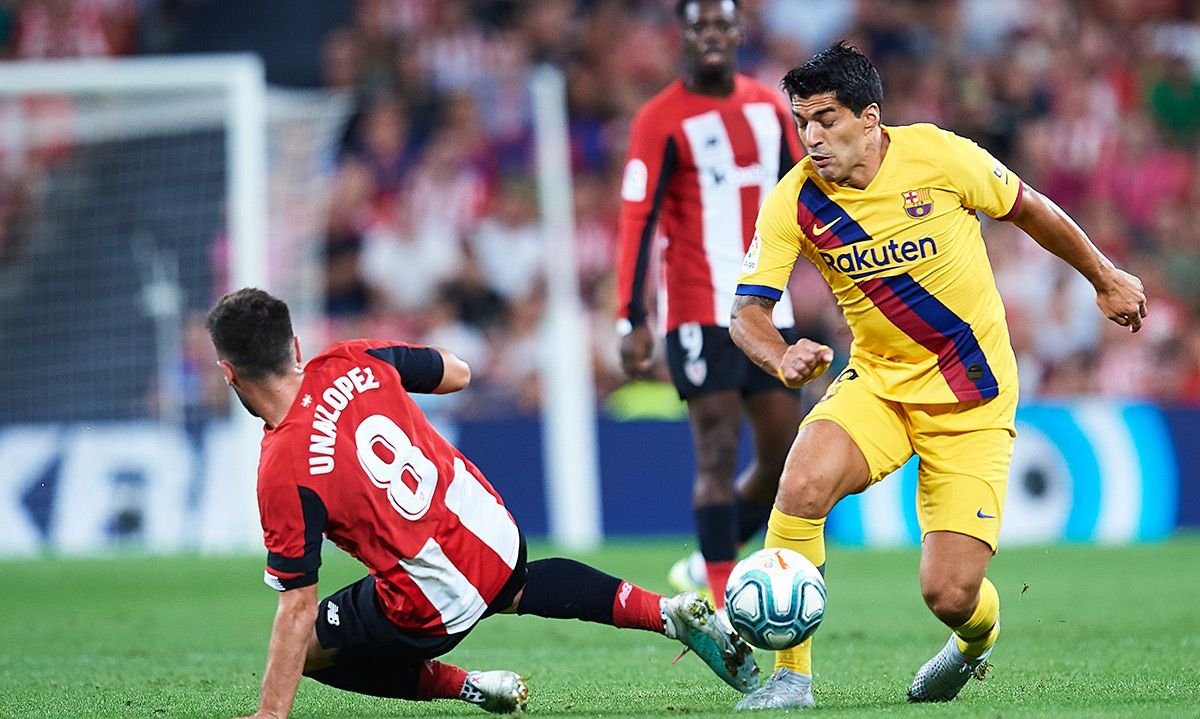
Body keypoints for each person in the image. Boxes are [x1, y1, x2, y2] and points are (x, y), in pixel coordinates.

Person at [729, 42, 1147, 710]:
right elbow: (746, 310)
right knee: (801, 480)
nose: (811, 136)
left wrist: (1104, 276)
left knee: (949, 594)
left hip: (972, 396)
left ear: (870, 119)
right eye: (802, 120)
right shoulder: (795, 201)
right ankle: (791, 676)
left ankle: (975, 643)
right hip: (880, 382)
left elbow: (1031, 208)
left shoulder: (941, 156)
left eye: (827, 118)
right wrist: (779, 355)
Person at [206, 288, 759, 718]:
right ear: (295, 347)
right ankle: (663, 612)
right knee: (518, 585)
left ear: (229, 372)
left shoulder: (283, 468)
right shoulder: (352, 357)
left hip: (433, 605)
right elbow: (458, 373)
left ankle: (468, 684)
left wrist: (271, 711)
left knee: (304, 651)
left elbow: (298, 605)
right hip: (491, 527)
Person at [616, 0, 806, 609]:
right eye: (701, 27)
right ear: (685, 37)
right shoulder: (659, 119)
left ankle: (706, 562)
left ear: (738, 32)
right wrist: (631, 317)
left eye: (723, 25)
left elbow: (802, 198)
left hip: (767, 305)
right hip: (698, 307)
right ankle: (723, 604)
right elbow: (636, 219)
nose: (713, 36)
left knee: (784, 454)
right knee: (718, 450)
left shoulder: (768, 107)